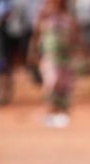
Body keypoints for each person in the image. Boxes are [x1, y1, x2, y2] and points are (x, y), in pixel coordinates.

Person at [29, 0, 79, 128]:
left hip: (65, 58)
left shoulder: (68, 18)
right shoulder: (44, 17)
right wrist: (33, 52)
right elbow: (36, 35)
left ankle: (63, 113)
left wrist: (78, 51)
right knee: (52, 83)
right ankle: (51, 113)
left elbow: (75, 36)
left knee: (65, 86)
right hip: (50, 57)